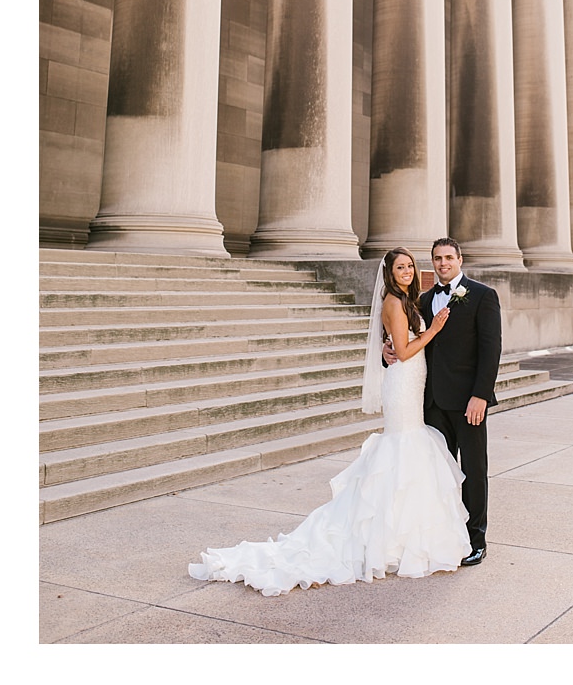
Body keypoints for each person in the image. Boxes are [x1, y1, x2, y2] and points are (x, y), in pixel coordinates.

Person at [189, 247, 471, 595]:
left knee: (411, 450)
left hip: (413, 382)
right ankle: (386, 537)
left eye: (410, 266)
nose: (407, 271)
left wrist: (406, 343)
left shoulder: (407, 301)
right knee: (403, 447)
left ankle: (403, 534)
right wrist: (435, 329)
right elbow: (406, 348)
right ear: (389, 272)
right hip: (401, 385)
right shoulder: (393, 303)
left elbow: (397, 347)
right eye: (400, 267)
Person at [414, 237, 500, 566]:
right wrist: (385, 353)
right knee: (442, 473)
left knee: (473, 471)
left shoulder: (482, 296)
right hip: (433, 402)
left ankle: (476, 539)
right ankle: (448, 535)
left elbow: (490, 350)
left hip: (468, 402)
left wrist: (480, 395)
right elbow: (412, 343)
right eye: (437, 258)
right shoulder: (424, 301)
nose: (443, 263)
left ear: (460, 259)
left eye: (449, 257)